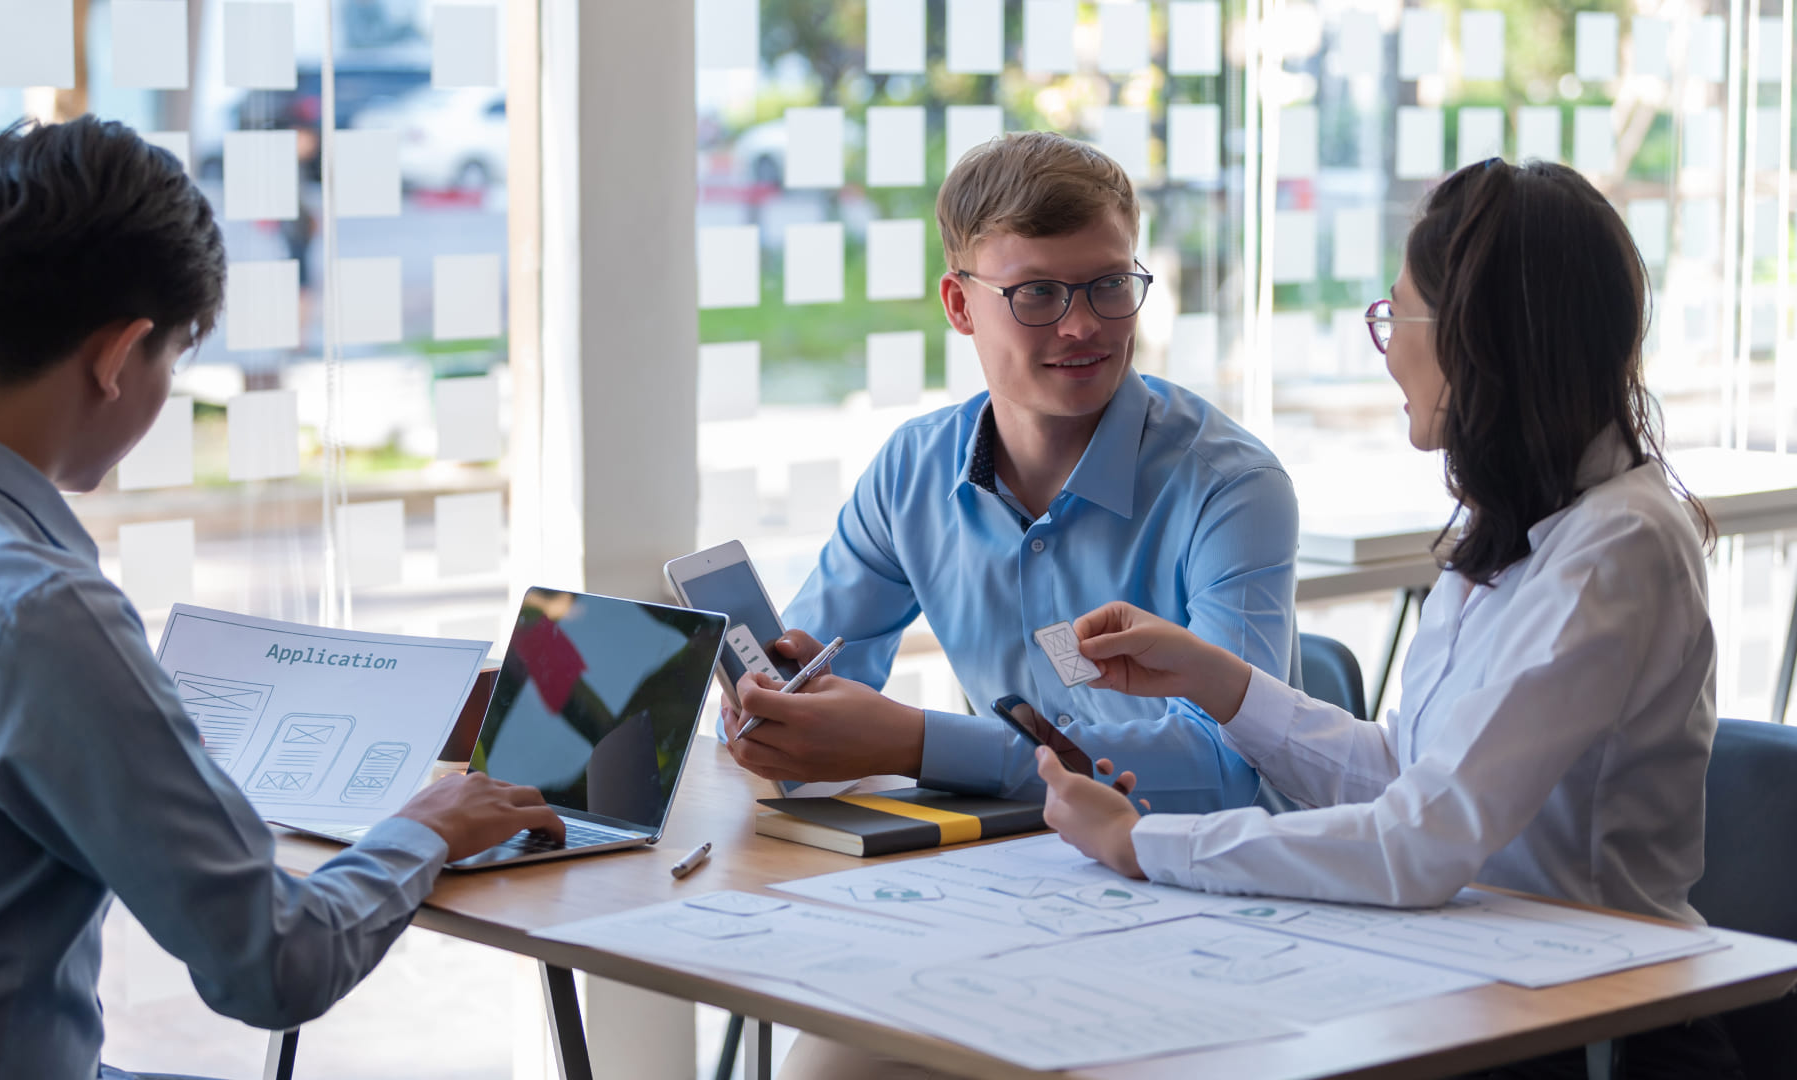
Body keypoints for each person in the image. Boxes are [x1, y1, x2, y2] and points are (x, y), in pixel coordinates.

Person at [0, 117, 563, 1080]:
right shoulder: (39, 609)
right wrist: (429, 826)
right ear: (118, 357)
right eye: (171, 365)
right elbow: (275, 964)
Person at [1035, 159, 1739, 1078]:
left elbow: (1422, 839)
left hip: (1595, 1030)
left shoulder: (1621, 546)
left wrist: (1141, 843)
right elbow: (1404, 776)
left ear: (1476, 339)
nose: (1387, 348)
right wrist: (1220, 682)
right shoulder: (1524, 523)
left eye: (1395, 317)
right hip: (1478, 992)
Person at [723, 131, 1300, 815]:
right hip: (1014, 872)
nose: (1084, 326)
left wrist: (917, 743)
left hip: (1218, 880)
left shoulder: (1231, 488)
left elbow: (1228, 766)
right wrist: (778, 726)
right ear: (961, 307)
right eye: (1038, 294)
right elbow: (814, 704)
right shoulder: (912, 473)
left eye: (1110, 285)